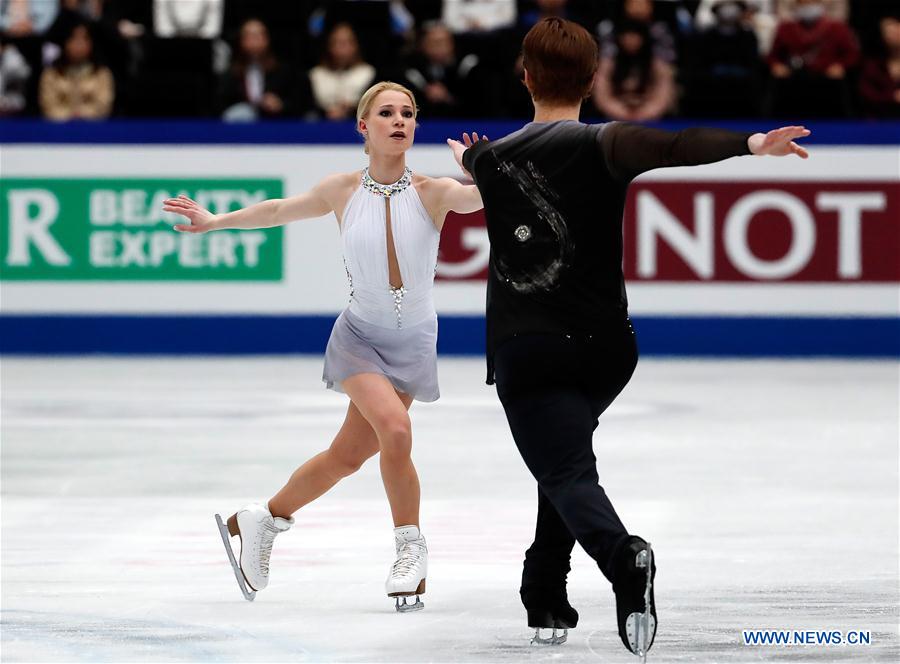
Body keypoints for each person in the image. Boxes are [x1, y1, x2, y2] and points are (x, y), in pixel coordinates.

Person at [447, 16, 810, 657]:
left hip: (528, 346)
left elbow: (483, 167)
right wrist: (753, 144)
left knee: (563, 466)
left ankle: (624, 559)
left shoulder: (491, 157)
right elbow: (677, 146)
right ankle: (545, 588)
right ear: (593, 81)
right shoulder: (605, 143)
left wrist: (474, 161)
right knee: (561, 460)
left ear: (523, 76)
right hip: (608, 348)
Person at [163, 81, 483, 611]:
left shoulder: (434, 191)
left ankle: (261, 520)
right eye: (386, 113)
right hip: (359, 339)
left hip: (414, 341)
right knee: (397, 430)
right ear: (364, 127)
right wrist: (217, 221)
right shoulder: (342, 190)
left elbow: (480, 197)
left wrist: (480, 165)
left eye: (408, 113)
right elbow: (276, 211)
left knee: (347, 457)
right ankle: (410, 547)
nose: (399, 120)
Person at [39, 21, 114, 121]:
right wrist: (69, 116)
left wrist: (82, 114)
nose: (79, 44)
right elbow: (48, 105)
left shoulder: (102, 73)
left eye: (84, 39)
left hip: (93, 130)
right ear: (65, 42)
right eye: (74, 39)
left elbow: (104, 106)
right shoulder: (51, 74)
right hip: (58, 131)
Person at [309, 22, 376, 120]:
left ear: (355, 46)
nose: (342, 48)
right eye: (337, 42)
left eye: (346, 42)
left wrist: (351, 109)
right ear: (329, 46)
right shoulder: (317, 74)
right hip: (322, 124)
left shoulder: (368, 73)